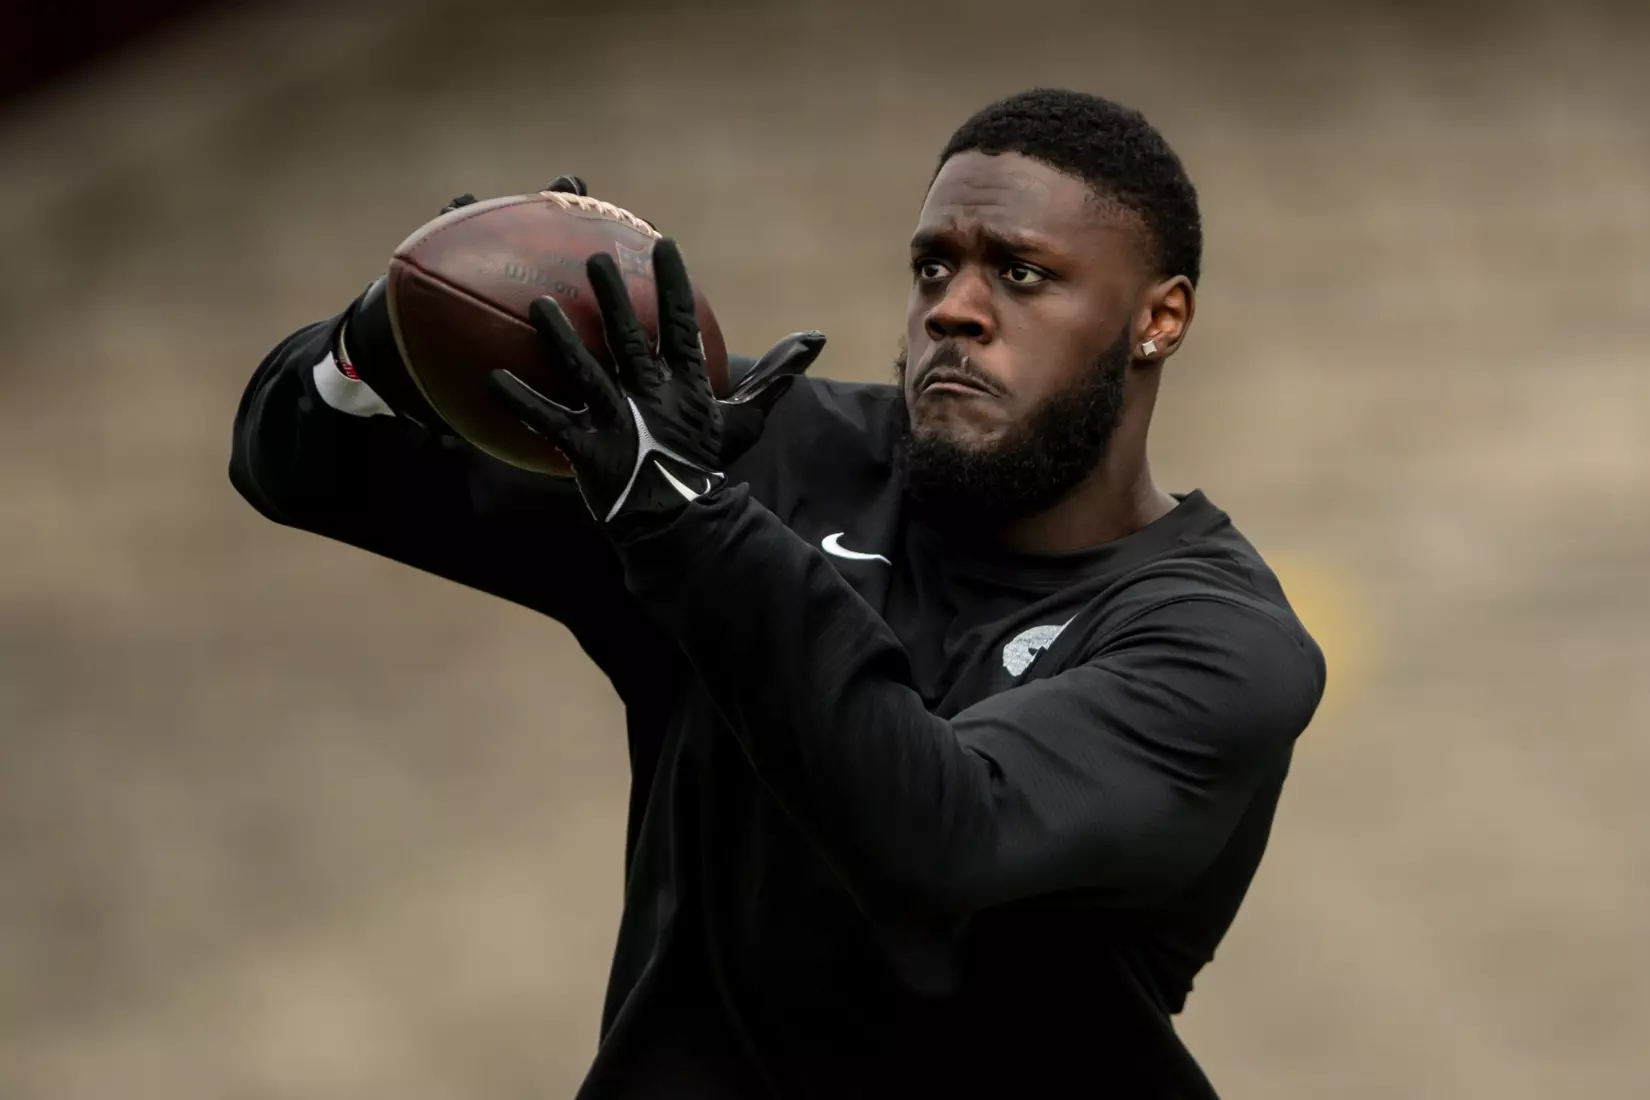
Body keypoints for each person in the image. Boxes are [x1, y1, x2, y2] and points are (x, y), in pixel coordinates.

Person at [230, 88, 1326, 1099]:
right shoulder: (761, 458)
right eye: (933, 267)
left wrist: (689, 522)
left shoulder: (1218, 638)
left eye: (1022, 273)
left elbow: (940, 837)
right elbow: (298, 466)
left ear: (1159, 318)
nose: (955, 309)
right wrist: (391, 332)